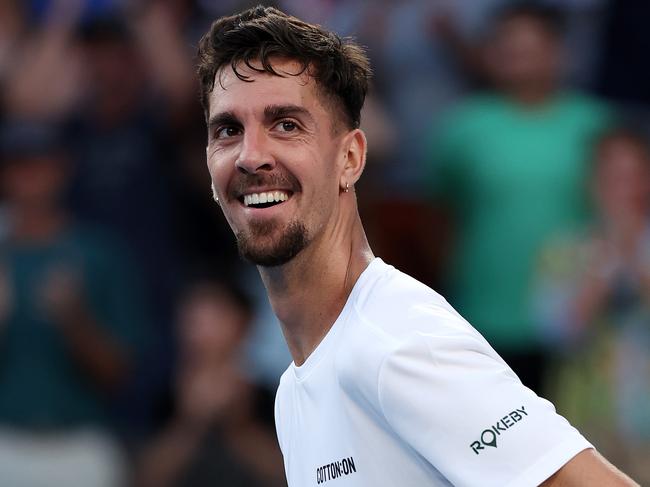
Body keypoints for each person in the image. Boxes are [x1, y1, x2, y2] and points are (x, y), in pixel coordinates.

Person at [197, 6, 636, 486]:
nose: (251, 155)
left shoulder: (400, 344)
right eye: (228, 130)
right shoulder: (294, 387)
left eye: (286, 125)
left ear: (350, 158)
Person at [424, 3, 611, 393]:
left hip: (579, 321)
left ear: (559, 52)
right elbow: (440, 217)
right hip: (483, 317)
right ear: (491, 55)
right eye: (508, 47)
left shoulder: (596, 125)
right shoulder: (464, 128)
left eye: (531, 47)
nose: (519, 58)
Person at [532, 128, 650, 484]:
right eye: (612, 178)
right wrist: (603, 269)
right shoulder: (563, 251)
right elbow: (554, 333)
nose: (623, 190)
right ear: (592, 184)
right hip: (587, 420)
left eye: (633, 177)